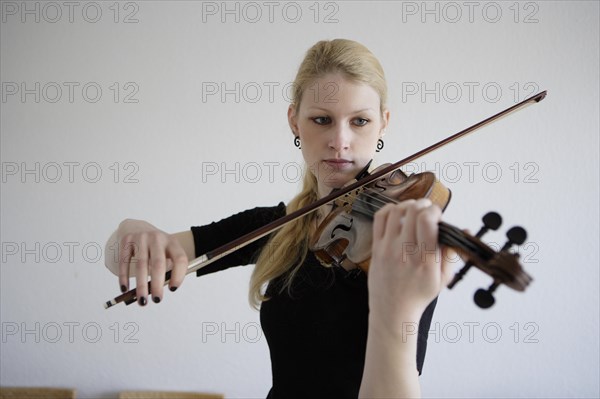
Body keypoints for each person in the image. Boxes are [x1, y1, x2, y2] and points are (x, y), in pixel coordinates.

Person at [104, 39, 453, 398]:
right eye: (322, 120)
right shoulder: (280, 225)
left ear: (383, 124)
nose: (340, 140)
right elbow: (121, 261)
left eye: (360, 121)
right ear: (294, 122)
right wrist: (134, 230)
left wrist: (396, 307)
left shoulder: (399, 241)